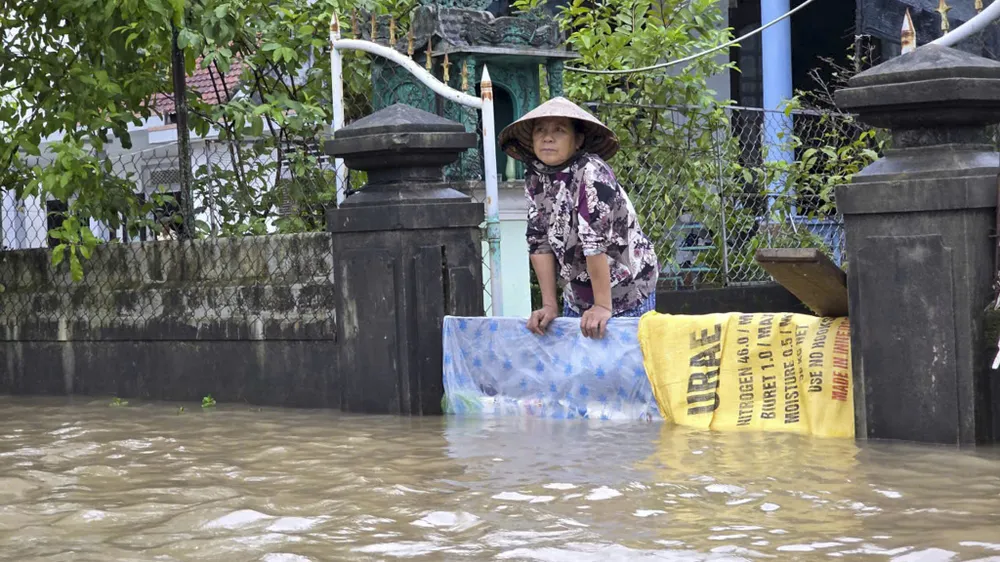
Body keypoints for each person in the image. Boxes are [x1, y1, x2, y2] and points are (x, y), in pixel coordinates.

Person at [498, 97, 659, 339]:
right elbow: (538, 240)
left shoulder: (592, 171)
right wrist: (550, 305)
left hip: (625, 290)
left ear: (578, 140)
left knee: (624, 372)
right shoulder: (536, 177)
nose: (547, 137)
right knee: (578, 374)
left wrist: (603, 306)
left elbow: (594, 242)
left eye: (559, 130)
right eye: (540, 130)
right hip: (577, 296)